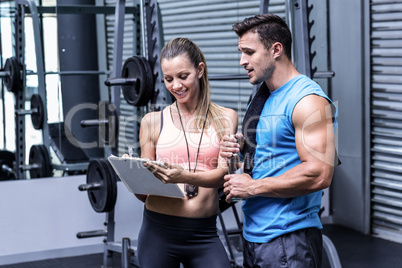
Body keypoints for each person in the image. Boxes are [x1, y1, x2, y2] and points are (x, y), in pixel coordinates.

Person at [219, 14, 337, 267]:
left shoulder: (307, 100)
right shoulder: (265, 96)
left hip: (289, 239)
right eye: (241, 52)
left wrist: (252, 187)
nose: (242, 61)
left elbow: (319, 174)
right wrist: (242, 150)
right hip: (255, 235)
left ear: (276, 49)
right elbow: (272, 157)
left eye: (249, 52)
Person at [136, 37, 238, 268]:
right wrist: (134, 178)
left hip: (203, 233)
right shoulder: (152, 122)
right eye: (169, 79)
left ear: (200, 70)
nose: (176, 86)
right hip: (157, 232)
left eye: (183, 76)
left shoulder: (225, 117)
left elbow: (222, 175)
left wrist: (183, 176)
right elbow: (144, 193)